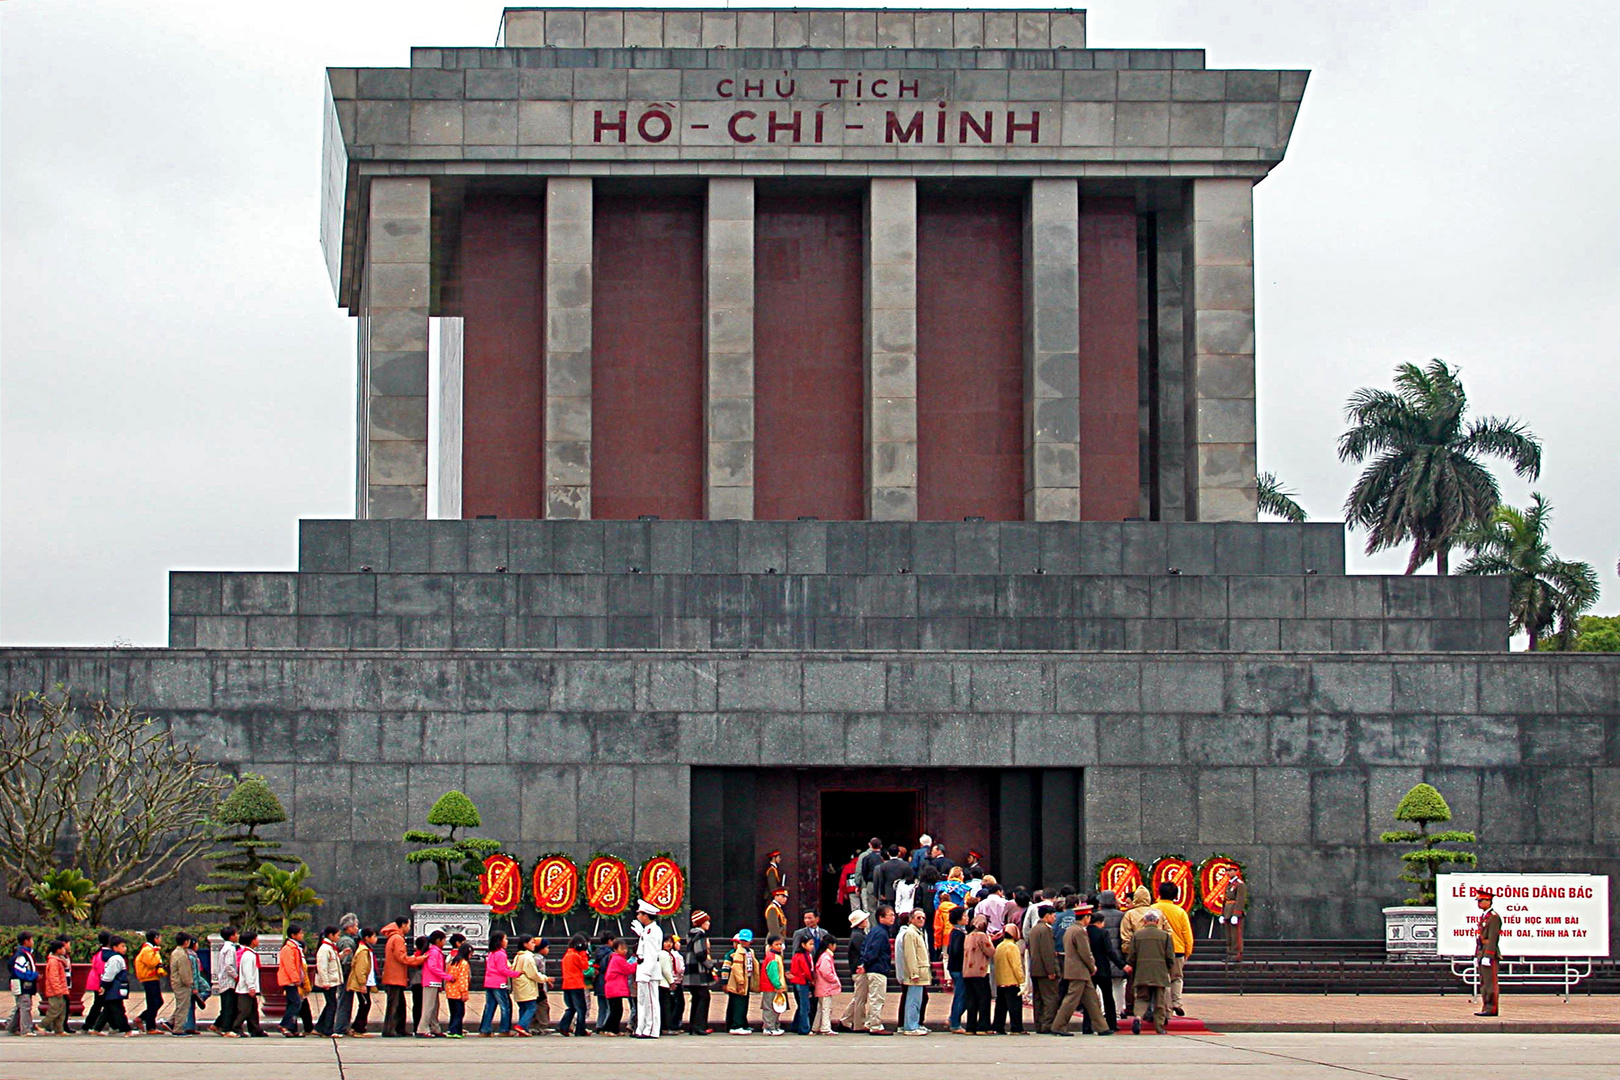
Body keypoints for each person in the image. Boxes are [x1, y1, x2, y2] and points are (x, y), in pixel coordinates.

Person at [1124, 910, 1174, 1035]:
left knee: (1141, 998)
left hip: (1142, 972)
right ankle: (1159, 1027)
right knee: (1159, 1001)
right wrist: (1168, 969)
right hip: (1159, 972)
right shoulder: (1165, 936)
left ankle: (1138, 1018)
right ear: (1157, 922)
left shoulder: (1137, 935)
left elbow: (1132, 956)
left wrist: (1132, 967)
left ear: (1144, 921)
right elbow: (1169, 956)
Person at [1152, 882, 1194, 1016]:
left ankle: (1166, 1006)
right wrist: (1188, 951)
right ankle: (1176, 1002)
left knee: (1163, 980)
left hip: (1158, 950)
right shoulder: (1180, 911)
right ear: (1176, 896)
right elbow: (1187, 934)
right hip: (1177, 949)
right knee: (1176, 978)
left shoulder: (1153, 909)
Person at [379, 917, 425, 1038]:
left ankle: (399, 1028)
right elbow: (402, 957)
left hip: (394, 976)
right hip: (395, 977)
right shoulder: (397, 938)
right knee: (394, 1005)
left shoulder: (393, 937)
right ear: (403, 925)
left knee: (399, 1005)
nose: (409, 928)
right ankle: (390, 1029)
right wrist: (419, 959)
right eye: (408, 925)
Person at [1087, 911, 1126, 1034]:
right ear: (1099, 922)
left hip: (1089, 969)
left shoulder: (1084, 932)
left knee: (1089, 998)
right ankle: (1111, 1023)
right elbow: (1110, 951)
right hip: (1103, 968)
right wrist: (1121, 965)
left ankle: (1087, 1025)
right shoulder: (1103, 933)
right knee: (1108, 997)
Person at [859, 906, 896, 1035]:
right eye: (889, 915)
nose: (893, 917)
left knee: (874, 997)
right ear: (881, 917)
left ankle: (869, 1022)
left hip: (873, 968)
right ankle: (875, 1025)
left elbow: (865, 947)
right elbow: (874, 950)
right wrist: (867, 962)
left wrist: (864, 962)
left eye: (893, 915)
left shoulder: (874, 931)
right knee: (877, 998)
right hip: (878, 968)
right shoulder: (881, 933)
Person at [631, 899, 665, 1039]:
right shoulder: (648, 930)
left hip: (648, 971)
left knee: (651, 1002)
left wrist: (646, 972)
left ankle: (651, 1029)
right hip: (643, 968)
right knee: (643, 1001)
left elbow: (651, 954)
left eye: (640, 914)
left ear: (646, 915)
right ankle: (641, 1027)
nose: (638, 916)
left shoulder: (653, 931)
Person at [896, 908, 932, 1035]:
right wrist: (914, 973)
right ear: (911, 919)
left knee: (917, 1000)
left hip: (921, 971)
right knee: (913, 1001)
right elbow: (910, 955)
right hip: (916, 974)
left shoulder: (918, 932)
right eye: (918, 917)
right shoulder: (910, 933)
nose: (921, 920)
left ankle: (913, 1024)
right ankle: (910, 1026)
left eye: (923, 917)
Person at [335, 927, 377, 1037]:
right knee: (365, 1003)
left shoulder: (366, 949)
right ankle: (358, 1028)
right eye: (374, 936)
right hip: (362, 982)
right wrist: (362, 983)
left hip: (365, 981)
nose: (376, 939)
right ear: (367, 938)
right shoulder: (363, 950)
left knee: (365, 1003)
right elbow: (361, 968)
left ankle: (358, 1027)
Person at [1026, 904, 1061, 1034]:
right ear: (1046, 916)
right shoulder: (1046, 930)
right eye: (1053, 915)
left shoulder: (1034, 929)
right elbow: (1047, 952)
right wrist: (1051, 970)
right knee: (1050, 998)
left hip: (1035, 969)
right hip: (1045, 970)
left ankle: (1039, 1024)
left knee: (1038, 998)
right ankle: (1048, 1024)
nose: (1054, 918)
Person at [834, 909, 870, 1032]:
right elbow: (863, 952)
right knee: (860, 999)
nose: (866, 921)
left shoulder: (857, 934)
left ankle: (845, 1020)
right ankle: (859, 1023)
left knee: (858, 997)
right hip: (859, 970)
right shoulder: (858, 936)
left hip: (857, 970)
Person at [682, 911, 715, 1036]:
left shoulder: (691, 934)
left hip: (691, 970)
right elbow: (700, 953)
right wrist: (710, 965)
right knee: (703, 997)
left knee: (696, 997)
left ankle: (693, 1025)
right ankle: (700, 1026)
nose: (708, 924)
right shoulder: (700, 935)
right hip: (698, 971)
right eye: (706, 921)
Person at [227, 931, 265, 1038]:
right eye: (256, 939)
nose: (258, 941)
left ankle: (255, 1029)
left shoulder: (250, 953)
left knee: (253, 1011)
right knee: (244, 1010)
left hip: (248, 988)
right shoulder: (248, 955)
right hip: (245, 989)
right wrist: (251, 987)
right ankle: (236, 1027)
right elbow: (248, 972)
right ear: (252, 941)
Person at [961, 914, 994, 1035]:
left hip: (968, 972)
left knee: (971, 1000)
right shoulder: (982, 936)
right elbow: (991, 952)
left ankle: (971, 1027)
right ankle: (983, 1026)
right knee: (984, 999)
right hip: (980, 971)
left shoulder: (968, 936)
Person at [479, 932, 516, 1036]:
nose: (507, 941)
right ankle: (504, 1029)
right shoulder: (500, 953)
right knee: (505, 1006)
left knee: (490, 1006)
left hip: (489, 982)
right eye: (505, 939)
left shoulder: (491, 953)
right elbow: (502, 969)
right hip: (499, 983)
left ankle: (485, 1029)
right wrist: (515, 973)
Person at [99, 938, 137, 1036]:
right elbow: (109, 974)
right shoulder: (116, 959)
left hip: (113, 987)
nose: (125, 949)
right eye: (122, 946)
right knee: (118, 1010)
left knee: (108, 1010)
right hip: (114, 987)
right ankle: (126, 1030)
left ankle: (96, 1028)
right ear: (115, 948)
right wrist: (103, 986)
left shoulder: (116, 958)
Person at [992, 922, 1025, 1034]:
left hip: (1000, 980)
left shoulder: (1000, 946)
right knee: (1015, 1006)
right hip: (1011, 980)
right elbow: (1016, 966)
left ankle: (998, 1026)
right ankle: (1016, 1028)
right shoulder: (1012, 947)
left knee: (1001, 1006)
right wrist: (1022, 980)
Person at [277, 924, 308, 1037]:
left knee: (293, 1003)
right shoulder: (288, 948)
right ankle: (285, 1025)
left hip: (293, 980)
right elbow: (290, 966)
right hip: (289, 980)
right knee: (295, 1003)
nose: (302, 935)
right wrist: (295, 979)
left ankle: (292, 1028)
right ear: (293, 935)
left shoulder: (295, 947)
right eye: (300, 933)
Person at [417, 930, 449, 1037]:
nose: (444, 942)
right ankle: (422, 1029)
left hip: (434, 982)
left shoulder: (435, 951)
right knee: (428, 1007)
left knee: (434, 1006)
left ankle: (435, 1028)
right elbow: (433, 967)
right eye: (443, 940)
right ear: (438, 940)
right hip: (431, 982)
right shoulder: (434, 952)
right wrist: (446, 976)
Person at [1475, 890, 1502, 1016]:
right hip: (1482, 952)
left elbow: (1493, 938)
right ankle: (1486, 1006)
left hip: (1489, 954)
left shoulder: (1494, 917)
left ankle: (1491, 1008)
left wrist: (1488, 955)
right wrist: (1478, 954)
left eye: (1481, 900)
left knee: (1490, 983)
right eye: (1478, 901)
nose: (1479, 903)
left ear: (1488, 901)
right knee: (1484, 983)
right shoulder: (1485, 916)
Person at [558, 935, 591, 1036]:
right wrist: (583, 953)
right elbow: (585, 966)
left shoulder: (567, 954)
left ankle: (563, 1026)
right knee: (582, 1009)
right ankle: (580, 1030)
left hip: (567, 984)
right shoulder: (576, 955)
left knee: (572, 1007)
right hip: (576, 984)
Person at [723, 930, 755, 1034]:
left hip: (746, 980)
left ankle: (742, 1023)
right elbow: (734, 968)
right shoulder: (735, 954)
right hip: (738, 981)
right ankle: (736, 1025)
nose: (742, 943)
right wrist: (728, 982)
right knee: (738, 1004)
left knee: (743, 1003)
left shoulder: (749, 952)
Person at [167, 933, 200, 1036]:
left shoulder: (176, 952)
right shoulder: (182, 955)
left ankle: (171, 1022)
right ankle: (178, 1029)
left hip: (176, 982)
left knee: (180, 1005)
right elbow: (184, 972)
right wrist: (190, 983)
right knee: (183, 1006)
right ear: (186, 942)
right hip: (182, 984)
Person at [134, 930, 166, 1033]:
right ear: (155, 938)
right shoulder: (148, 950)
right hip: (149, 978)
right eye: (159, 938)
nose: (160, 940)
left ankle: (142, 1018)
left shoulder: (150, 949)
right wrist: (157, 953)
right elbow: (152, 963)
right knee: (153, 1002)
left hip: (153, 978)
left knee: (158, 1001)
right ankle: (150, 1027)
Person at [601, 939, 636, 1035]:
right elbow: (628, 969)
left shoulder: (616, 958)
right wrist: (638, 964)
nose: (624, 950)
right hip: (615, 988)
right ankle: (610, 1029)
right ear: (615, 949)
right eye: (622, 948)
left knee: (616, 1009)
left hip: (613, 987)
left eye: (625, 948)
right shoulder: (618, 959)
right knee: (616, 1010)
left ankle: (610, 1028)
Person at [6, 931, 38, 1036]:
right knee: (25, 1006)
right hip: (22, 984)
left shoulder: (27, 954)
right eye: (31, 940)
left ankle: (11, 1026)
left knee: (21, 1006)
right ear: (26, 941)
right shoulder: (21, 955)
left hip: (25, 984)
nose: (33, 942)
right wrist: (34, 975)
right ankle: (26, 1029)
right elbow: (21, 972)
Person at [209, 927, 239, 1036]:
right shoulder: (230, 949)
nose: (237, 936)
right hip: (228, 981)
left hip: (225, 980)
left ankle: (217, 1024)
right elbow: (228, 966)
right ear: (231, 936)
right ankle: (226, 1029)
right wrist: (236, 976)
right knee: (229, 1007)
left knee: (227, 1005)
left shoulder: (226, 947)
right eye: (236, 934)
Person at [314, 927, 343, 1036]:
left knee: (330, 1004)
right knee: (332, 1005)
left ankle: (319, 1027)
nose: (338, 937)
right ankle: (327, 1029)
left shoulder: (331, 948)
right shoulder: (325, 949)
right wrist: (325, 981)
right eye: (337, 935)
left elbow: (332, 962)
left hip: (332, 980)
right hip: (329, 981)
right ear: (331, 935)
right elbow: (322, 967)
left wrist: (342, 955)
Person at [944, 905, 968, 1033]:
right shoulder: (959, 934)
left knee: (962, 995)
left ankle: (952, 1018)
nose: (966, 918)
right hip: (959, 968)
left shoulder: (955, 932)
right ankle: (955, 1023)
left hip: (954, 967)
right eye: (964, 916)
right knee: (961, 996)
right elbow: (956, 951)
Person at [41, 938, 72, 1036]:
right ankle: (42, 1025)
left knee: (62, 1011)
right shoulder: (53, 961)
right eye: (62, 948)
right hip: (55, 991)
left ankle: (59, 1029)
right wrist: (58, 990)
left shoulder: (59, 960)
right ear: (57, 950)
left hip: (62, 989)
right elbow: (53, 978)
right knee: (55, 1010)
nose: (64, 950)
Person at [82, 931, 110, 1033]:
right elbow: (102, 970)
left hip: (96, 981)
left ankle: (89, 1024)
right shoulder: (104, 955)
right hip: (99, 982)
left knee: (101, 1004)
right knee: (100, 1004)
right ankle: (88, 1024)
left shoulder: (99, 952)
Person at [787, 935, 815, 1035]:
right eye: (810, 944)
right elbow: (807, 970)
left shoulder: (796, 955)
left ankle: (795, 1025)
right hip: (802, 982)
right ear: (803, 945)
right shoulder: (804, 956)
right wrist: (812, 979)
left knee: (801, 1005)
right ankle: (804, 1028)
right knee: (805, 1006)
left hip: (796, 981)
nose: (812, 946)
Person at [758, 935, 787, 1036]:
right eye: (776, 944)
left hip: (774, 987)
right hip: (771, 987)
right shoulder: (772, 958)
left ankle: (774, 1026)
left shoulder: (776, 956)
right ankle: (769, 1027)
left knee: (776, 1007)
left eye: (780, 944)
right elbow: (773, 974)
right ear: (770, 946)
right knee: (770, 1007)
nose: (779, 946)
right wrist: (778, 986)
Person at [811, 939, 839, 1035]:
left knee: (821, 1008)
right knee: (826, 1008)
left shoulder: (822, 956)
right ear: (830, 945)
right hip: (826, 987)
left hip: (821, 987)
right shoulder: (826, 957)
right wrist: (834, 979)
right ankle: (825, 1028)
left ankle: (816, 1027)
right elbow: (826, 972)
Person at [445, 942, 472, 1038]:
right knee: (459, 1012)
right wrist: (464, 992)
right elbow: (463, 979)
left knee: (453, 1012)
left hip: (450, 990)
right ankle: (455, 1030)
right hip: (458, 991)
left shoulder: (453, 962)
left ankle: (452, 1030)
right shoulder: (464, 963)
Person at [1221, 871, 1249, 962]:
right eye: (1226, 870)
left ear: (1235, 871)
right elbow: (1225, 900)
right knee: (1229, 935)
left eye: (1230, 870)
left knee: (1235, 934)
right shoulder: (1229, 884)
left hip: (1234, 912)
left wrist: (1236, 914)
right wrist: (1222, 914)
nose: (1227, 872)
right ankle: (1230, 953)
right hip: (1227, 912)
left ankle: (1236, 954)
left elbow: (1240, 900)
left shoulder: (1239, 884)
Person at [857, 837, 884, 916]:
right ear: (881, 846)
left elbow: (863, 871)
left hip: (871, 883)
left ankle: (873, 926)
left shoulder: (866, 857)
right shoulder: (884, 857)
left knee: (871, 908)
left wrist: (862, 883)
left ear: (870, 845)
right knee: (882, 908)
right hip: (883, 884)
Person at [836, 851, 862, 916]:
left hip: (852, 891)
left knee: (856, 911)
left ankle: (858, 925)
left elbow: (842, 881)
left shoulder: (847, 867)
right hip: (864, 889)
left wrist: (843, 892)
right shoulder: (864, 865)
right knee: (866, 909)